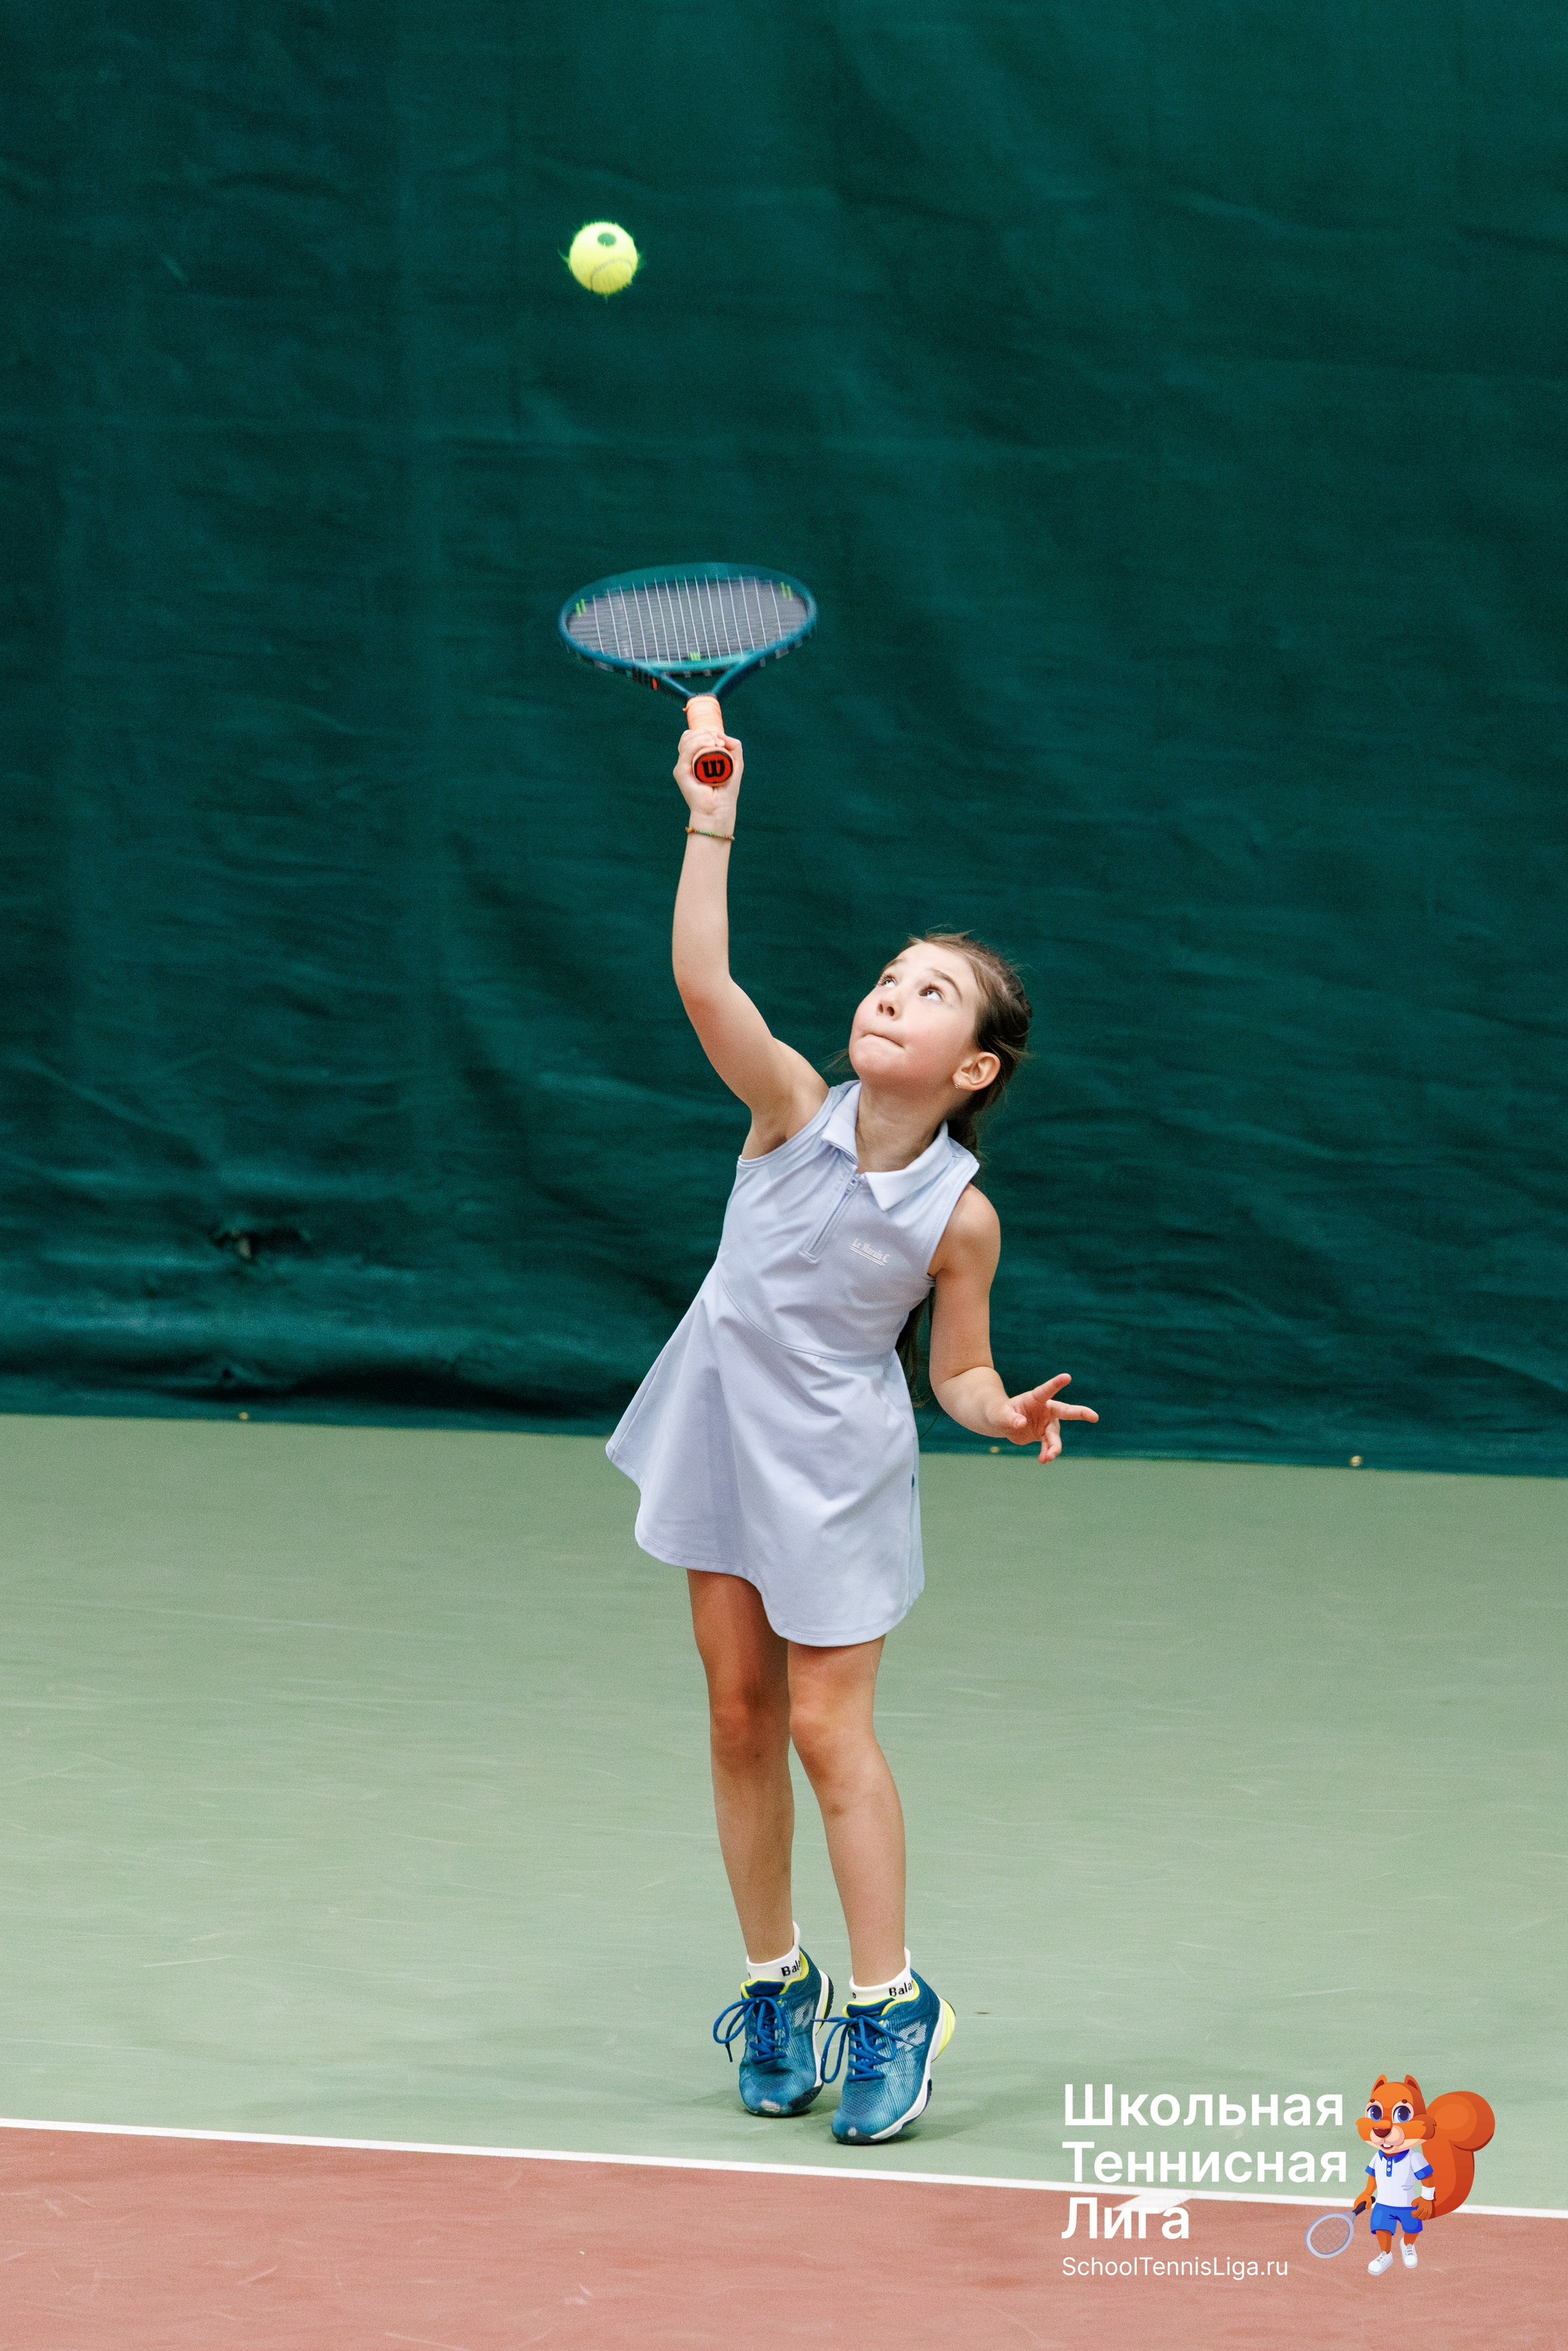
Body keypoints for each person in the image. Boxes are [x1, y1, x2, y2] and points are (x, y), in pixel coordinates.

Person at [607, 704, 1097, 2144]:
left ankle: (890, 2002)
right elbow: (706, 985)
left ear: (974, 1067)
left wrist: (994, 1410)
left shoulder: (961, 1213)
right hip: (714, 1428)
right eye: (888, 975)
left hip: (831, 1468)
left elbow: (949, 1370)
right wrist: (711, 820)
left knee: (828, 1729)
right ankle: (776, 1981)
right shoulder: (784, 1110)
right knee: (737, 1714)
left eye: (929, 993)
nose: (891, 994)